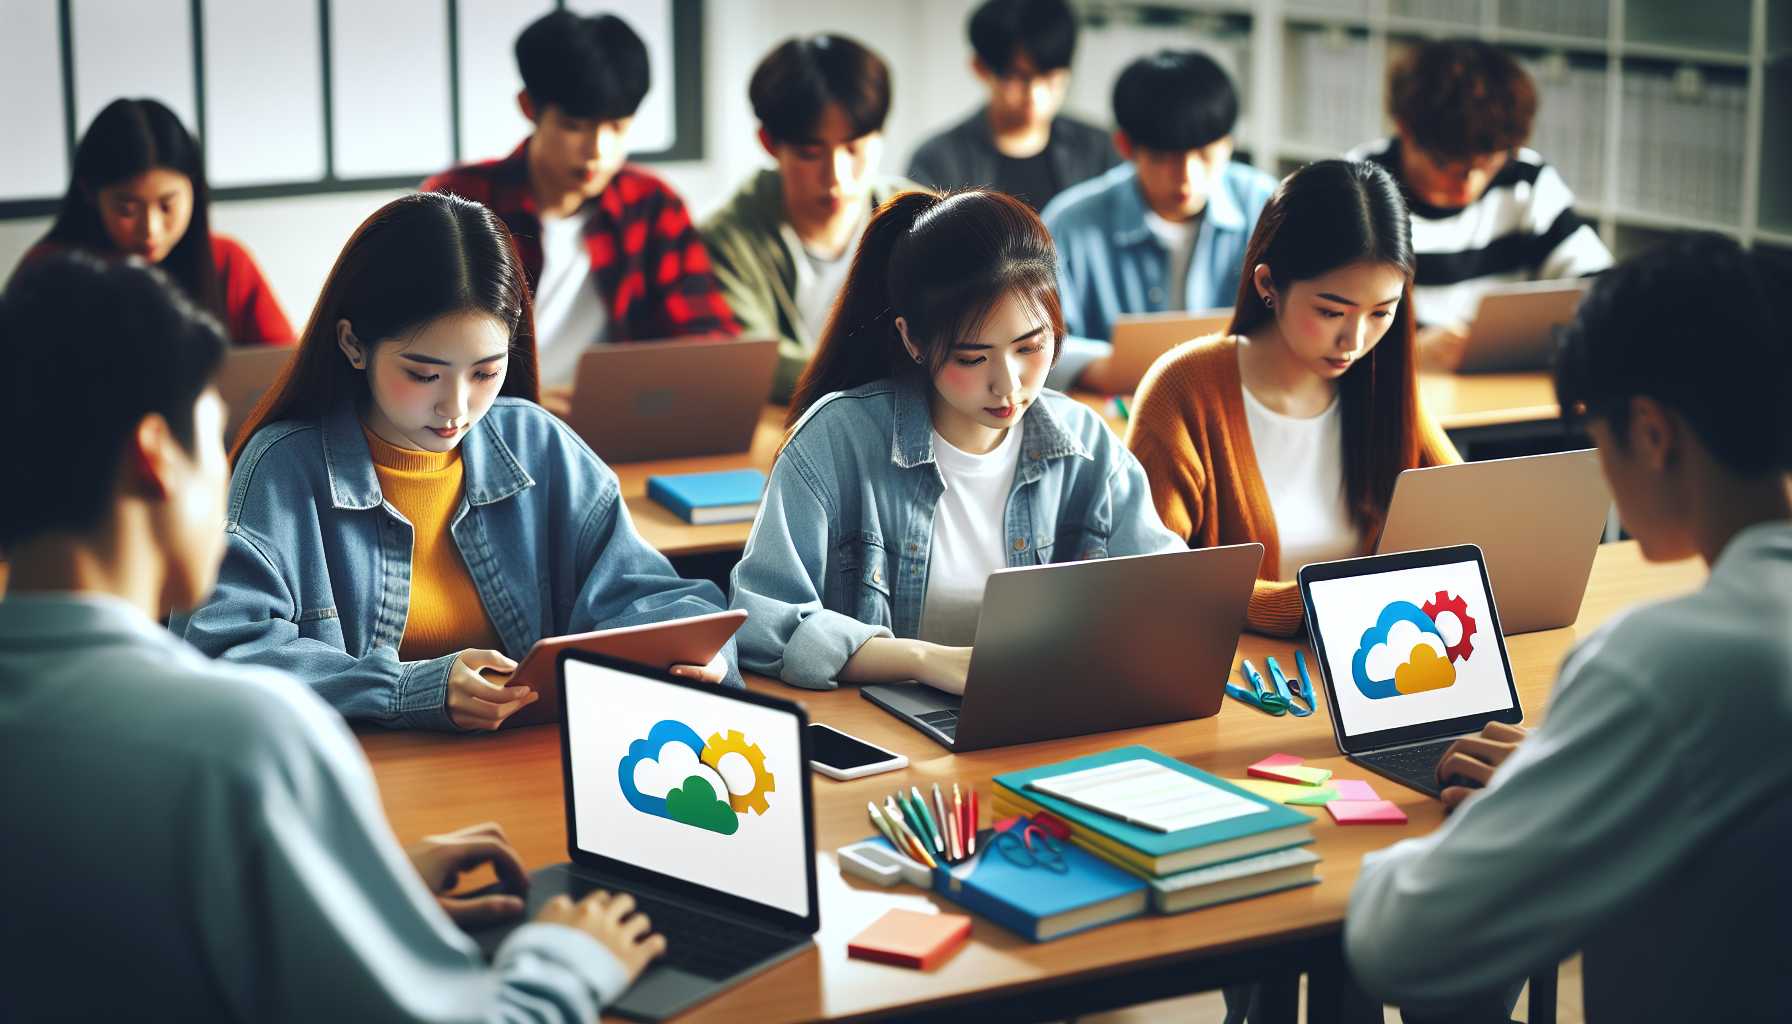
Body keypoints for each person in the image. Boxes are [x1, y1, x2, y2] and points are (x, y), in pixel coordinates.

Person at [0, 249, 664, 1021]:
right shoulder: (246, 741)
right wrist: (570, 959)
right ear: (156, 459)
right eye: (215, 442)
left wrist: (343, 881)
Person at [1346, 233, 1792, 1022]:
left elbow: (1405, 940)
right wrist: (1569, 769)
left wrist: (1535, 790)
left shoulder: (1665, 664)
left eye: (1594, 433)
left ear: (1652, 434)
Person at [182, 192, 738, 732]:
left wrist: (694, 652)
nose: (456, 408)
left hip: (524, 771)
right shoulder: (282, 467)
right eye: (424, 375)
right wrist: (407, 688)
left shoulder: (537, 442)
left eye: (485, 373)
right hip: (369, 783)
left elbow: (656, 596)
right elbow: (222, 651)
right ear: (353, 345)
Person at [728, 189, 1182, 693]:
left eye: (1031, 347)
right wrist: (922, 660)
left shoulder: (1088, 444)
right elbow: (763, 625)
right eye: (972, 358)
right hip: (887, 736)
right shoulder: (835, 443)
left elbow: (1169, 595)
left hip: (1055, 719)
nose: (1008, 384)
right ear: (913, 339)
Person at [1125, 160, 1459, 636]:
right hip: (1246, 677)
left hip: (1376, 666)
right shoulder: (1185, 390)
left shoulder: (1382, 383)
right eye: (1330, 311)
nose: (1354, 340)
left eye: (1382, 312)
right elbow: (1153, 577)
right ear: (1268, 286)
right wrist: (1311, 604)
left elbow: (1470, 523)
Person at [424, 10, 736, 405]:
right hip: (484, 413)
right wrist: (526, 399)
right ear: (528, 107)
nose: (597, 151)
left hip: (615, 417)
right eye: (575, 126)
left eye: (617, 127)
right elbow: (421, 343)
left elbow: (708, 340)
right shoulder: (459, 200)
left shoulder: (652, 205)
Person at [1348, 38, 1611, 371]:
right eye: (1446, 165)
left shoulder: (1525, 180)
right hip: (1397, 386)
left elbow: (1600, 285)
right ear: (1405, 129)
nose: (1467, 186)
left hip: (1500, 386)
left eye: (1486, 165)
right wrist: (1404, 352)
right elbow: (1325, 319)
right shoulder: (1358, 190)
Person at [1041, 50, 1277, 391]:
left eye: (1205, 154)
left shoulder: (1266, 208)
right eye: (1163, 157)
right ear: (1125, 145)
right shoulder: (1072, 225)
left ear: (1229, 143)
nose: (1186, 176)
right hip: (1115, 414)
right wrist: (1103, 368)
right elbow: (1034, 341)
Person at [702, 34, 916, 402]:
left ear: (879, 137)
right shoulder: (725, 238)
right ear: (770, 144)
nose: (836, 176)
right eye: (809, 153)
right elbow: (755, 365)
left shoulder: (919, 216)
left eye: (854, 149)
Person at [14, 97, 292, 344]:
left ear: (194, 188)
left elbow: (286, 371)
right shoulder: (47, 273)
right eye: (127, 209)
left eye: (167, 205)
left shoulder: (227, 262)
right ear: (89, 192)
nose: (151, 229)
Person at [905, 0, 1118, 212]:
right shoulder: (940, 159)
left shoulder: (1098, 150)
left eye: (1049, 77)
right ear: (980, 68)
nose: (1036, 94)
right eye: (1017, 77)